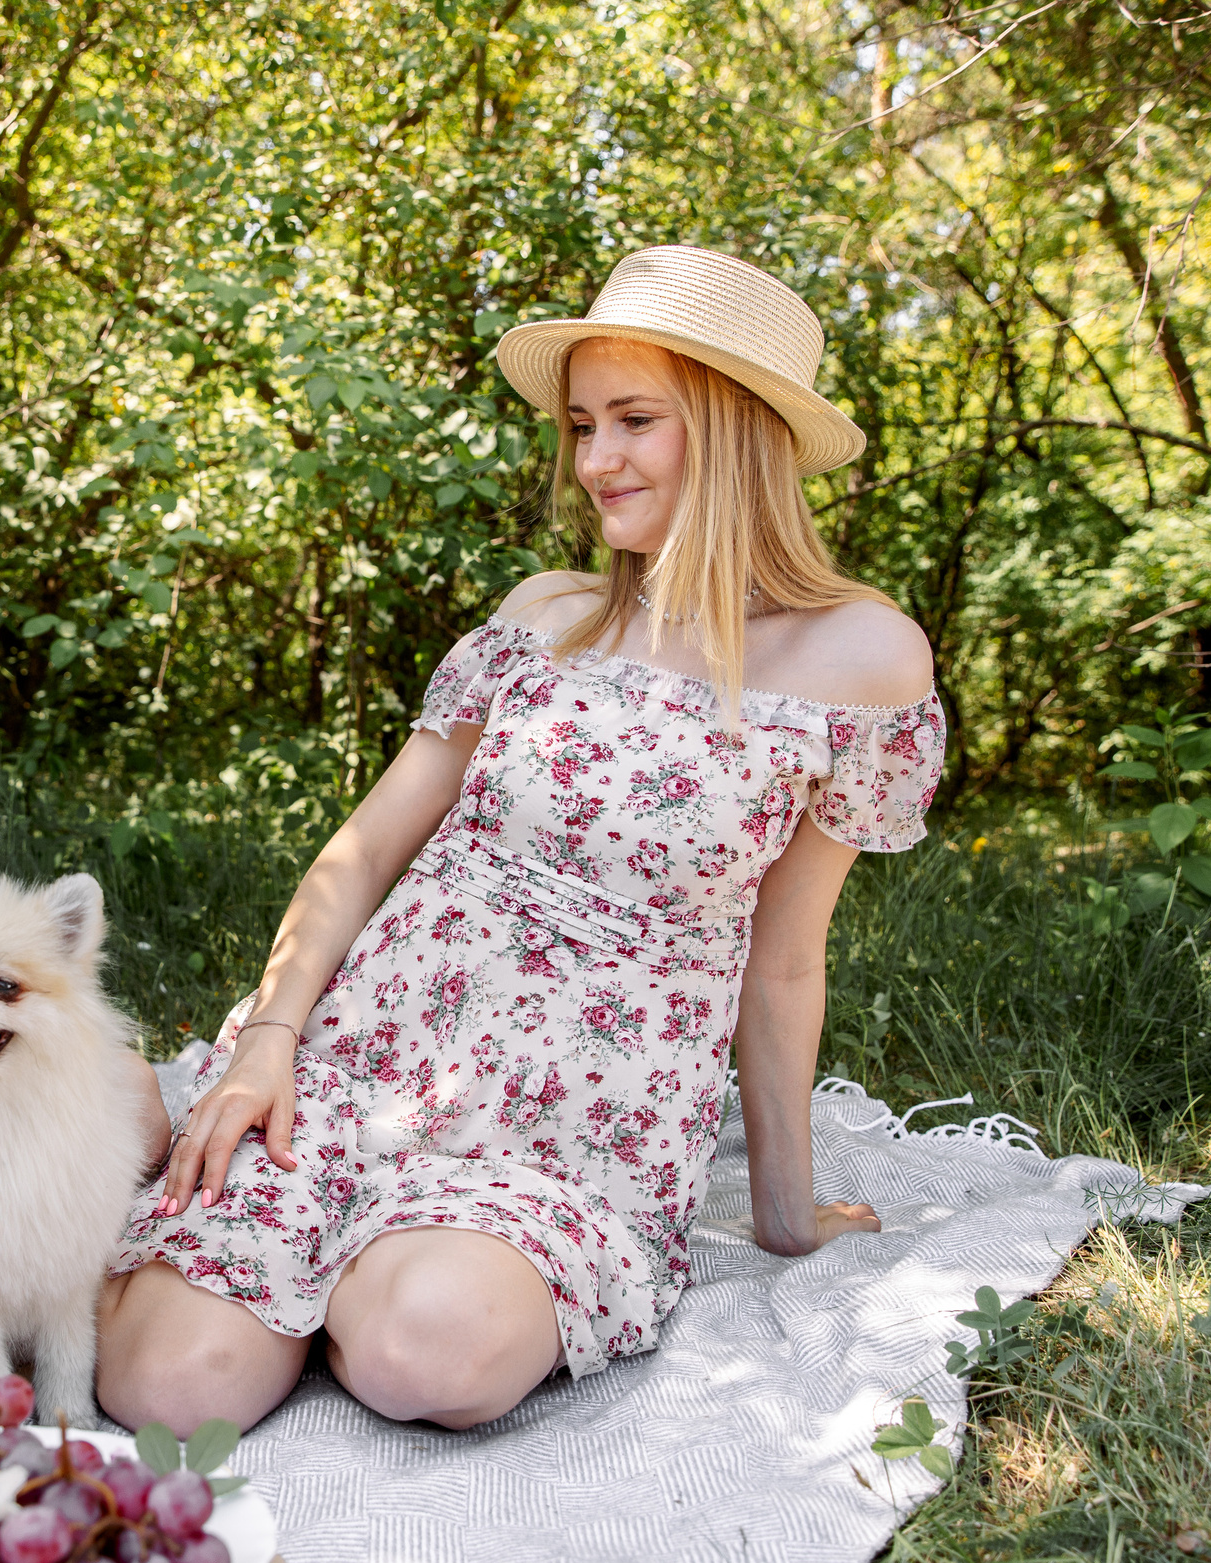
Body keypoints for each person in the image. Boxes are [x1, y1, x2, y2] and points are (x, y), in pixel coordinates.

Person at [96, 245, 946, 1434]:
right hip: (374, 1056)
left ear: (739, 426)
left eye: (635, 420)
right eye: (583, 425)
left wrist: (782, 1213)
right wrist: (266, 1043)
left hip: (578, 1129)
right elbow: (368, 847)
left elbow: (788, 955)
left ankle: (359, 1282)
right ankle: (280, 1257)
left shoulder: (861, 660)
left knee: (427, 1356)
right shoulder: (544, 617)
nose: (595, 461)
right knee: (162, 1397)